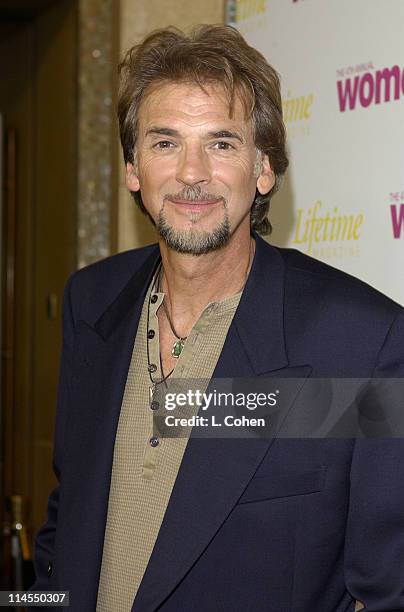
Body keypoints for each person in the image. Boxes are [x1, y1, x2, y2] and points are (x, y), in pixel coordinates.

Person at [32, 25, 404, 611]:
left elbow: (389, 592)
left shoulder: (363, 342)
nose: (191, 172)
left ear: (264, 170)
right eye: (165, 143)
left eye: (222, 143)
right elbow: (68, 519)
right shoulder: (90, 302)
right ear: (133, 168)